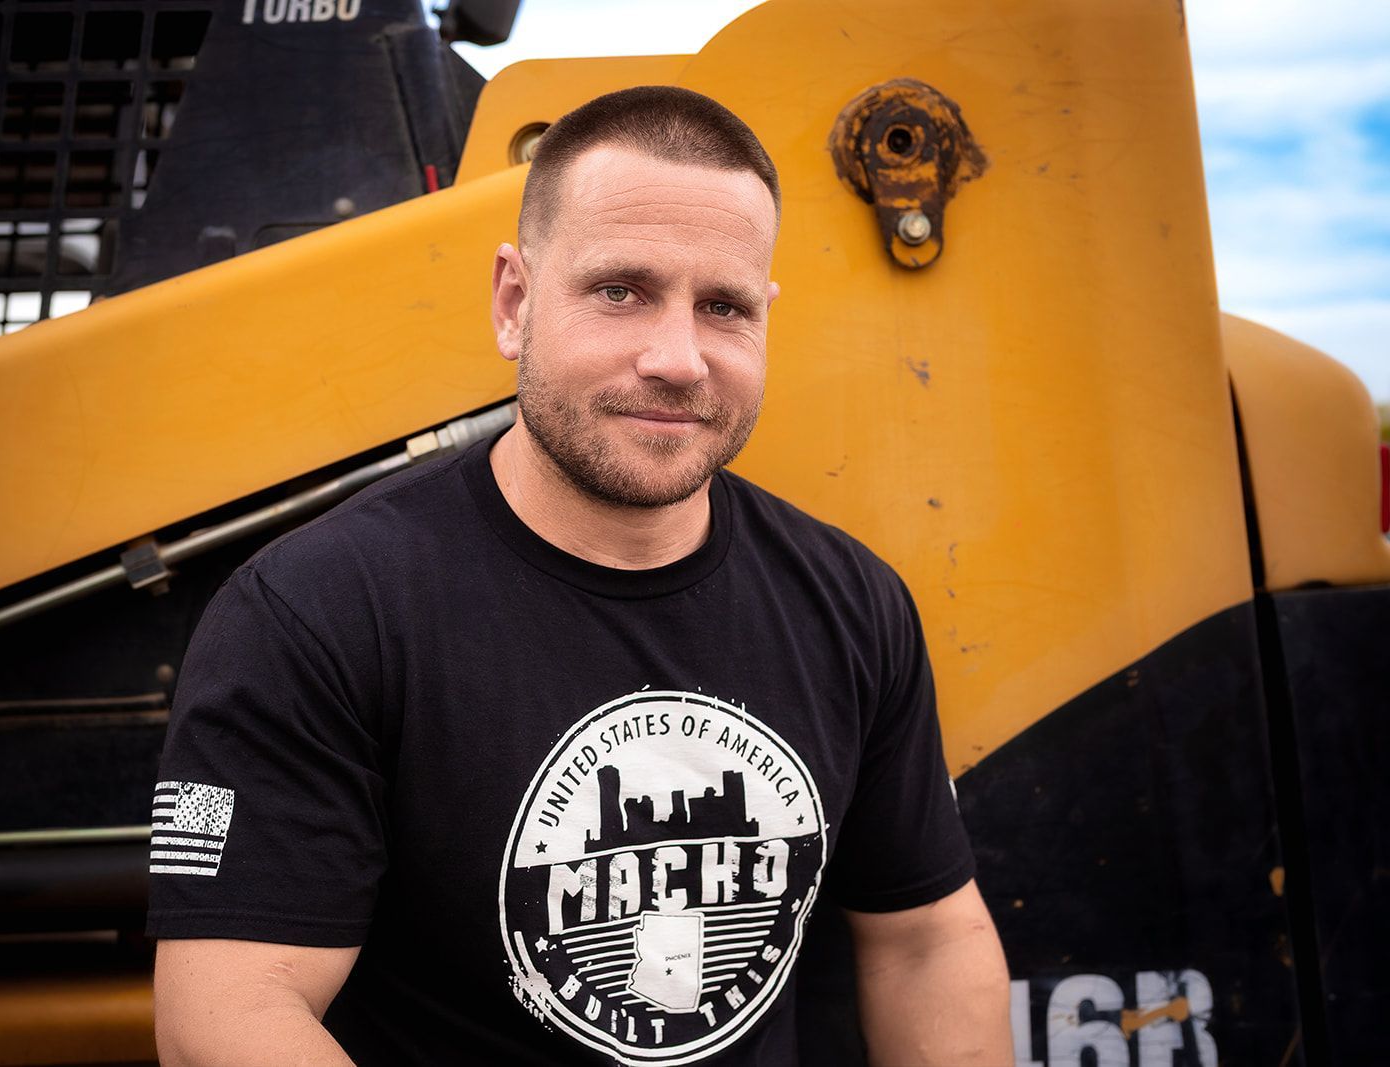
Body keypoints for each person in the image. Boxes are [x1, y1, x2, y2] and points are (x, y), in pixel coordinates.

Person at [149, 85, 1012, 1065]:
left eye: (722, 306)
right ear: (513, 302)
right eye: (620, 290)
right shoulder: (316, 611)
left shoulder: (852, 603)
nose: (677, 357)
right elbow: (226, 1014)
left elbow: (927, 940)